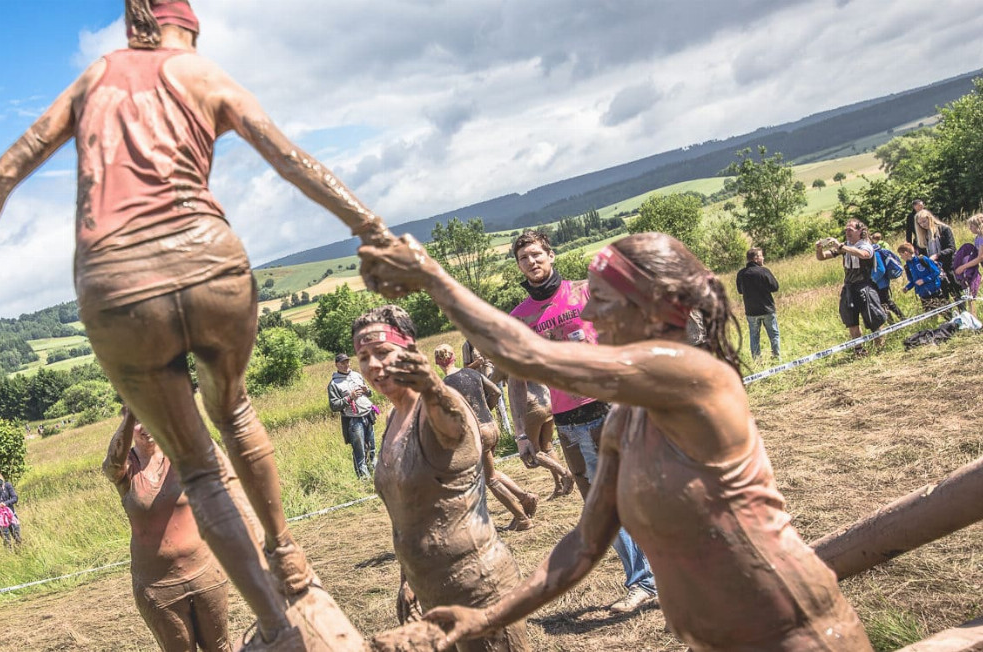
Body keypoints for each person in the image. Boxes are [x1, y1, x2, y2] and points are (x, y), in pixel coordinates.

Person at [0, 2, 393, 643]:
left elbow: (3, 171)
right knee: (234, 410)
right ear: (191, 27)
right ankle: (287, 554)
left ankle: (279, 622)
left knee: (198, 470)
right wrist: (371, 229)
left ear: (132, 28)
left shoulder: (94, 80)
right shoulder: (205, 75)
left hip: (117, 283)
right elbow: (291, 159)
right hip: (210, 260)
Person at [359, 231, 873, 651]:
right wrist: (486, 618)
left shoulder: (693, 376)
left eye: (602, 302)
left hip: (795, 633)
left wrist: (431, 277)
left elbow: (531, 357)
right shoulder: (626, 421)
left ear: (651, 305)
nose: (589, 317)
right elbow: (582, 545)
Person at [354, 306, 530, 651]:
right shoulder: (392, 417)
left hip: (478, 587)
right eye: (364, 356)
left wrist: (431, 383)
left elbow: (453, 421)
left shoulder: (439, 406)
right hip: (430, 590)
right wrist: (407, 581)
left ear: (410, 352)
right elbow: (405, 514)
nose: (373, 365)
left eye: (383, 352)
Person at [504, 229, 657, 613]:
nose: (532, 262)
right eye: (524, 259)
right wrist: (522, 434)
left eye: (537, 254)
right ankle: (643, 583)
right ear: (519, 266)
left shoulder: (585, 292)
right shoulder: (520, 318)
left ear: (551, 256)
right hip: (568, 422)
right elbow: (516, 379)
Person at [104, 409, 231, 652]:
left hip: (205, 573)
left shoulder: (181, 455)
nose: (146, 427)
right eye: (137, 422)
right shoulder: (127, 468)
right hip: (158, 587)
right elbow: (112, 464)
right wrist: (131, 414)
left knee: (220, 647)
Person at [434, 344, 538, 531]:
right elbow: (496, 392)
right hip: (492, 427)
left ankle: (522, 518)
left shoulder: (444, 386)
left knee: (490, 480)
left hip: (477, 433)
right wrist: (487, 408)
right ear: (453, 357)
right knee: (491, 472)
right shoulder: (472, 373)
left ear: (437, 362)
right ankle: (525, 497)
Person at [815, 219, 885, 350]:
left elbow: (864, 255)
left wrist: (841, 247)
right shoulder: (845, 246)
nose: (847, 232)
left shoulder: (865, 245)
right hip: (849, 287)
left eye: (850, 230)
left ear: (860, 231)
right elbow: (822, 257)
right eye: (846, 230)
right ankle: (859, 349)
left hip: (865, 286)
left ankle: (880, 348)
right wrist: (819, 249)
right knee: (851, 320)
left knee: (873, 318)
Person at [327, 353, 377, 478]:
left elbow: (369, 393)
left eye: (347, 362)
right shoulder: (333, 384)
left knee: (371, 449)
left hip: (367, 415)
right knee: (359, 452)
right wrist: (350, 398)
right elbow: (334, 406)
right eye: (342, 363)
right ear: (336, 365)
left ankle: (376, 475)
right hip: (353, 421)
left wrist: (367, 391)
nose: (346, 365)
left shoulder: (357, 375)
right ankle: (365, 481)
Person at [735, 247, 781, 360]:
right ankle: (776, 357)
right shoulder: (764, 271)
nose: (763, 257)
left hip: (751, 311)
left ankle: (756, 360)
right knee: (774, 334)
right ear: (756, 258)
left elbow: (740, 291)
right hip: (767, 309)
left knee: (754, 336)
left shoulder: (741, 274)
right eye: (761, 255)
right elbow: (775, 287)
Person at [913, 209, 962, 301]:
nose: (923, 224)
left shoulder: (944, 229)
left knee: (956, 295)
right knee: (943, 299)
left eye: (924, 221)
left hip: (948, 267)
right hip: (934, 271)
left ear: (930, 218)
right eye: (920, 223)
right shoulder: (920, 237)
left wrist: (937, 255)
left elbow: (951, 248)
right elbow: (920, 254)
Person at [898, 243, 951, 316]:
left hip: (934, 290)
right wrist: (907, 287)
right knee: (930, 316)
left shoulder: (922, 259)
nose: (901, 257)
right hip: (923, 294)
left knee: (945, 313)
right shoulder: (907, 266)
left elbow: (936, 272)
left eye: (901, 255)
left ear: (906, 253)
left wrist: (924, 280)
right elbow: (914, 281)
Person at [952, 214, 983, 315]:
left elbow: (980, 257)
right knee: (970, 295)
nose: (970, 228)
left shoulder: (981, 239)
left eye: (971, 226)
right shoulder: (977, 238)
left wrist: (963, 267)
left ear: (978, 226)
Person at [870, 242, 907, 323]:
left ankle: (901, 320)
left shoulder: (874, 253)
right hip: (879, 283)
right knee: (884, 304)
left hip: (880, 283)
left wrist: (872, 280)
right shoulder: (872, 251)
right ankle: (895, 322)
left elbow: (881, 270)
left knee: (886, 303)